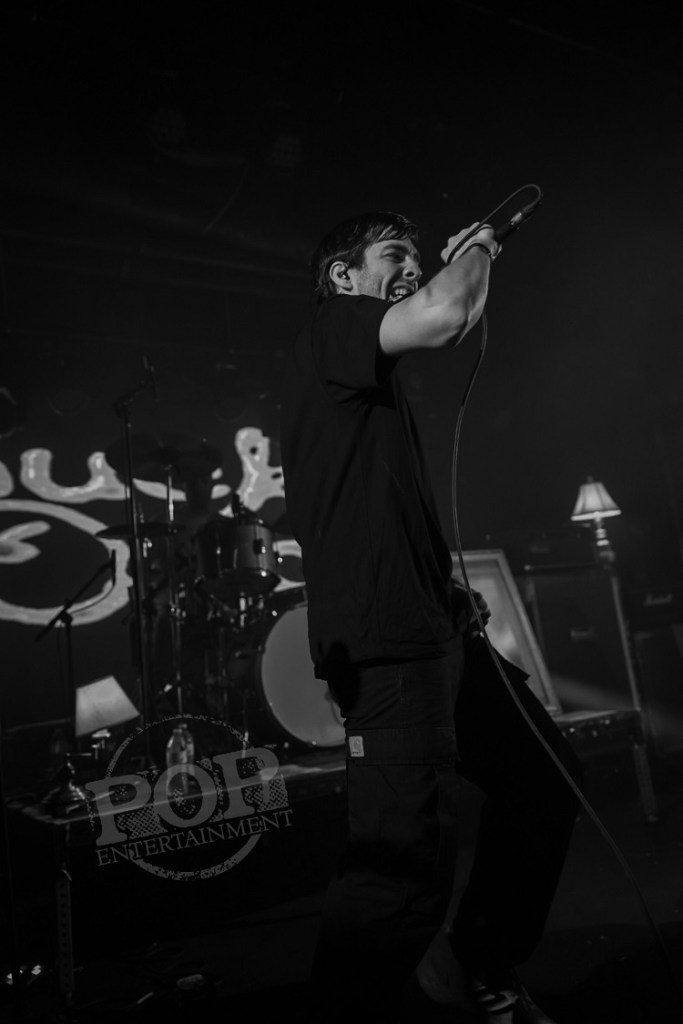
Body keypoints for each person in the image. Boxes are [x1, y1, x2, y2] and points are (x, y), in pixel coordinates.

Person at [279, 211, 582, 1023]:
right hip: (387, 646)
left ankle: (472, 962)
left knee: (543, 780)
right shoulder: (334, 328)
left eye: (416, 255)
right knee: (398, 874)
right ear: (343, 277)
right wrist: (478, 246)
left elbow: (378, 512)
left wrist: (445, 589)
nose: (411, 266)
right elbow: (448, 315)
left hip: (434, 629)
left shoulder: (372, 385)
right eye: (393, 254)